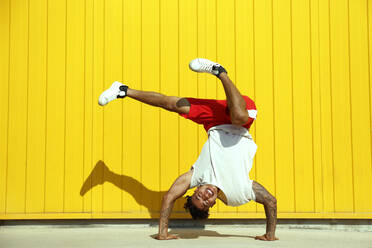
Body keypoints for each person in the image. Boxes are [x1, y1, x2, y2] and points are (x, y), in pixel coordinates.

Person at [98, 58, 278, 241]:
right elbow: (271, 201)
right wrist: (270, 235)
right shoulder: (238, 193)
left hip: (214, 123)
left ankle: (122, 90)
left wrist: (162, 233)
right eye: (205, 203)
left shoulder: (198, 175)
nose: (204, 197)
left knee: (170, 104)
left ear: (195, 190)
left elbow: (169, 197)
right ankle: (221, 72)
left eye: (198, 197)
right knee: (239, 116)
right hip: (240, 117)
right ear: (213, 204)